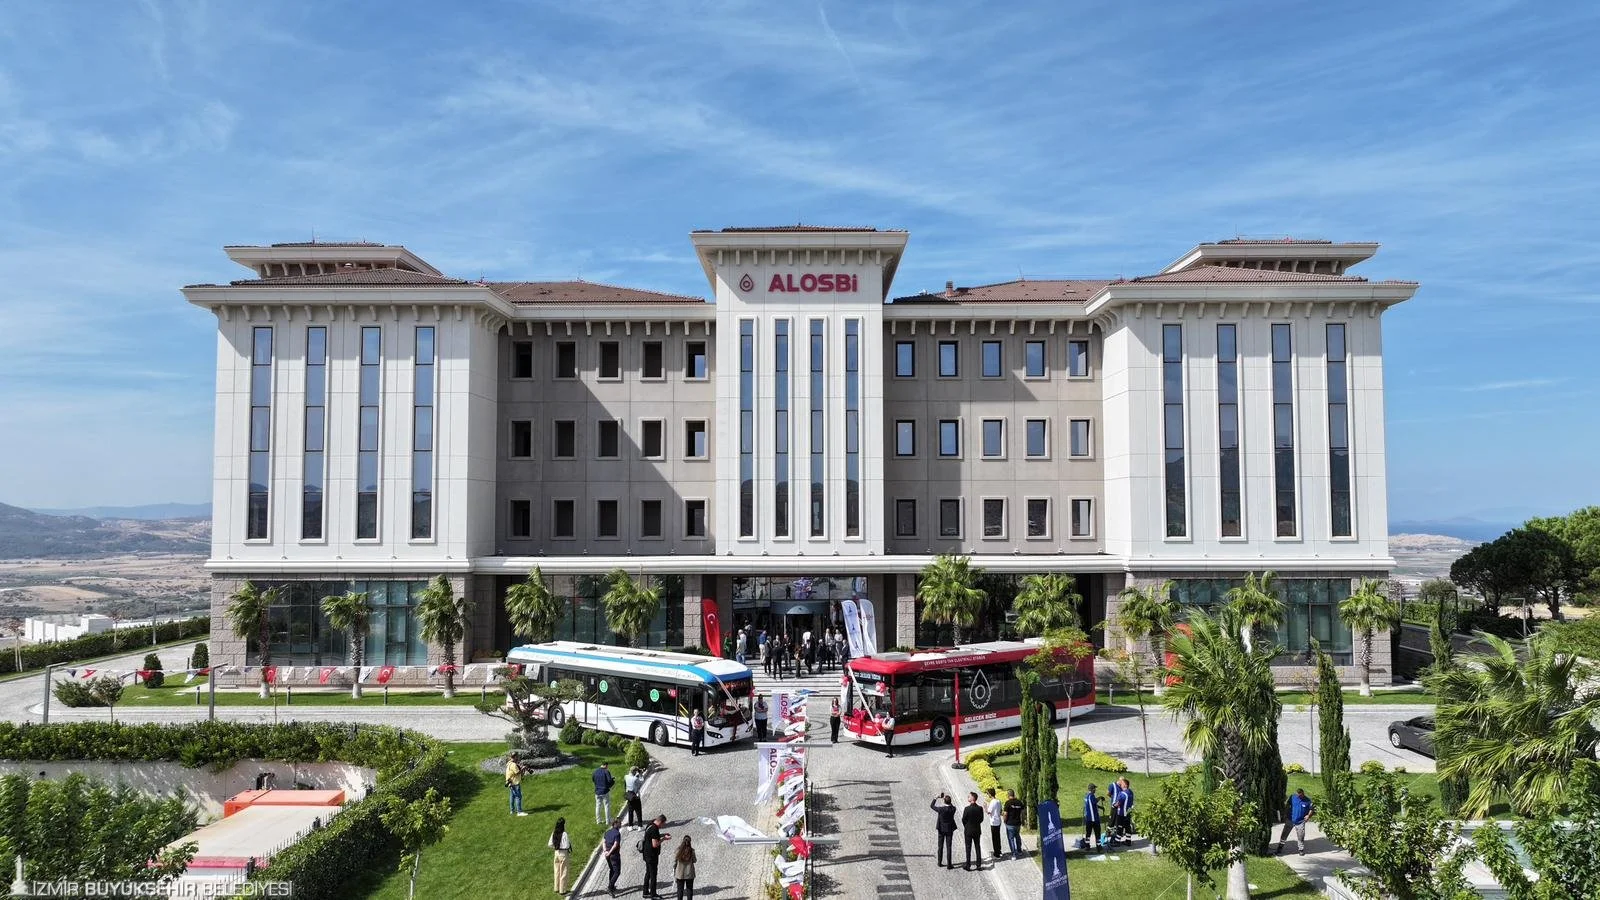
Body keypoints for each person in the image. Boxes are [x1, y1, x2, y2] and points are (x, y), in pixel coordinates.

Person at [1275, 788, 1315, 855]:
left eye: (1300, 795)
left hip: (1300, 821)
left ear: (1303, 793)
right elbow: (1288, 804)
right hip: (1290, 819)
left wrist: (1308, 815)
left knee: (1301, 835)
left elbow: (1311, 809)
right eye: (1297, 795)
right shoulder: (1293, 797)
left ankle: (1301, 850)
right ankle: (1280, 847)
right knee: (1284, 834)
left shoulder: (1308, 801)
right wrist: (1285, 813)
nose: (1298, 797)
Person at [642, 813, 672, 899]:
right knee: (653, 875)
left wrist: (662, 834)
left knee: (648, 873)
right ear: (661, 822)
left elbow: (652, 836)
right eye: (663, 824)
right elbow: (655, 844)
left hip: (646, 853)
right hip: (652, 856)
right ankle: (653, 894)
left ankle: (645, 892)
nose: (663, 826)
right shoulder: (654, 829)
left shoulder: (650, 824)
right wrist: (664, 839)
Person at [930, 793, 957, 869]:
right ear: (950, 802)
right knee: (949, 847)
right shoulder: (953, 809)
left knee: (940, 846)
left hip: (941, 829)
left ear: (944, 801)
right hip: (949, 829)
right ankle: (949, 864)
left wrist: (936, 797)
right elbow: (951, 805)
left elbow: (932, 806)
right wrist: (947, 800)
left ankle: (939, 862)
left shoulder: (941, 809)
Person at [961, 791, 986, 870]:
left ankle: (968, 865)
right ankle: (978, 865)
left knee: (968, 848)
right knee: (977, 847)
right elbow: (981, 819)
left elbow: (963, 819)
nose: (968, 797)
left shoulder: (967, 809)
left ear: (972, 798)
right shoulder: (980, 808)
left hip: (968, 831)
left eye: (969, 796)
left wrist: (966, 826)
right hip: (977, 830)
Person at [549, 817, 573, 894]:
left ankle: (556, 888)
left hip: (556, 853)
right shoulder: (564, 834)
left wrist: (556, 847)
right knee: (563, 872)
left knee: (557, 871)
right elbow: (566, 845)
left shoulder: (554, 833)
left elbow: (550, 844)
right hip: (563, 853)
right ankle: (562, 890)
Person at [602, 817, 624, 897]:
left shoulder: (607, 832)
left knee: (612, 869)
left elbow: (604, 842)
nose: (621, 824)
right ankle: (610, 887)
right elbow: (615, 845)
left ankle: (612, 885)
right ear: (615, 824)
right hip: (614, 855)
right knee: (617, 872)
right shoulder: (617, 834)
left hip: (607, 855)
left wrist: (605, 851)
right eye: (619, 823)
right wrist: (610, 853)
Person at [673, 834, 697, 900]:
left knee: (680, 890)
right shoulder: (692, 851)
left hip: (679, 874)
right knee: (689, 890)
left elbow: (674, 861)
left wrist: (674, 869)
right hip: (689, 873)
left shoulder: (678, 850)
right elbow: (695, 860)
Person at [1002, 790, 1025, 858]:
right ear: (1013, 794)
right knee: (1017, 836)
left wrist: (1004, 820)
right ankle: (1019, 851)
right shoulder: (1019, 802)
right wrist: (1022, 821)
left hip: (1010, 824)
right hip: (1018, 823)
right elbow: (1023, 813)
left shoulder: (1008, 803)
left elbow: (1005, 814)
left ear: (1008, 795)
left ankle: (1013, 854)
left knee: (1011, 839)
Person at [1082, 783, 1102, 849]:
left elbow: (1091, 804)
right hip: (1094, 819)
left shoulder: (1086, 796)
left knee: (1088, 833)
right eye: (1095, 788)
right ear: (1092, 789)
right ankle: (1098, 846)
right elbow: (1094, 801)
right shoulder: (1092, 796)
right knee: (1097, 833)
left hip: (1088, 819)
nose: (1095, 790)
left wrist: (1100, 807)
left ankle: (1087, 846)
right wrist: (1100, 797)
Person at [985, 787, 1004, 858]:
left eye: (988, 793)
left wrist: (985, 807)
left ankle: (996, 853)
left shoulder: (992, 802)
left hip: (993, 822)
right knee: (998, 837)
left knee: (994, 837)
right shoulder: (998, 801)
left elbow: (989, 812)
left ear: (990, 794)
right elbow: (1000, 811)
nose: (987, 795)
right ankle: (999, 850)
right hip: (998, 821)